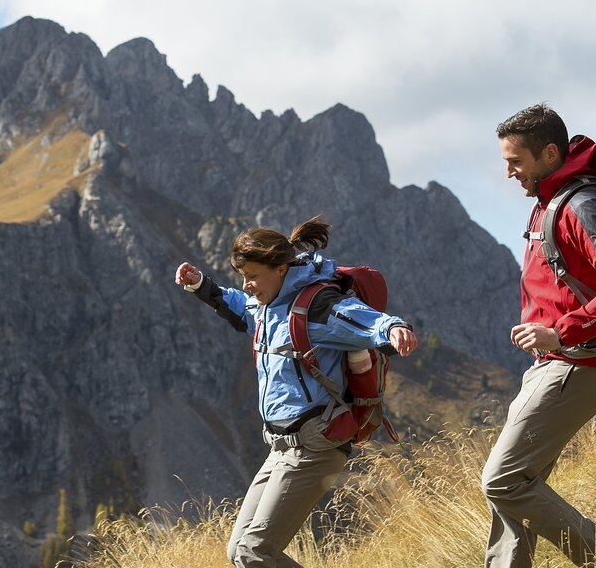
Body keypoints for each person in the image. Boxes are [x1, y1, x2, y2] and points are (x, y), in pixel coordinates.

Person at [174, 216, 418, 568]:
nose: (248, 285)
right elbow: (241, 308)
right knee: (238, 552)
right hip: (280, 448)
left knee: (254, 552)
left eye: (253, 276)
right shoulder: (266, 307)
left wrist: (393, 327)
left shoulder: (317, 307)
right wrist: (201, 285)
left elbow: (360, 317)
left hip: (314, 446)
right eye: (244, 277)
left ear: (282, 268)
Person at [483, 104, 596, 568]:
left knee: (503, 480)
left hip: (577, 364)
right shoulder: (549, 202)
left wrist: (559, 332)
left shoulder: (583, 204)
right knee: (519, 486)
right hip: (554, 363)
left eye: (515, 161)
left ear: (550, 153)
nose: (508, 173)